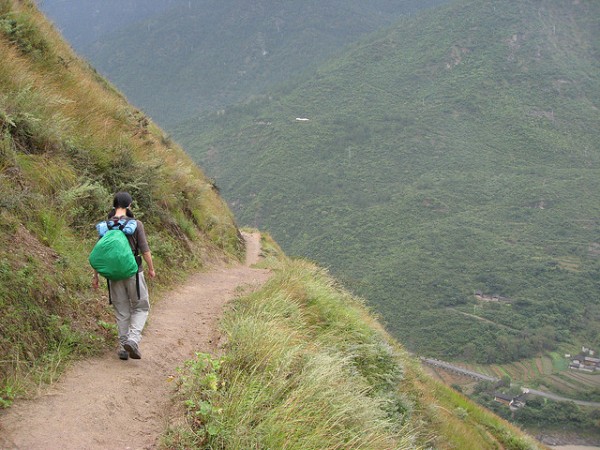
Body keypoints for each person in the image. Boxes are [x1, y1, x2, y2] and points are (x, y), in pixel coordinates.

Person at [92, 191, 156, 360]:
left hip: (113, 275)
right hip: (134, 272)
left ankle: (123, 346)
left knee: (122, 311)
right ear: (129, 206)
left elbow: (100, 253)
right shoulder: (136, 224)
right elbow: (145, 250)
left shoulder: (106, 226)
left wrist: (96, 275)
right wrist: (151, 268)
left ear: (114, 205)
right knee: (141, 307)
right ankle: (133, 339)